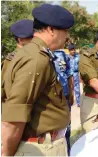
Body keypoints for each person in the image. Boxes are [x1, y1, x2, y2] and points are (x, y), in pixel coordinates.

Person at [1, 3, 74, 156]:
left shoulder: (35, 53)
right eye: (65, 31)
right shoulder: (36, 59)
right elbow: (15, 117)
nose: (67, 37)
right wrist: (7, 154)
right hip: (41, 148)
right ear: (51, 30)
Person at [1, 19, 33, 102]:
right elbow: (5, 88)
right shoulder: (11, 60)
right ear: (21, 40)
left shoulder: (33, 55)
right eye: (31, 38)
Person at [53, 49, 74, 155]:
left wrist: (71, 92)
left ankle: (68, 151)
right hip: (50, 100)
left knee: (66, 128)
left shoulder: (62, 54)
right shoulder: (40, 54)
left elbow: (69, 74)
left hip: (65, 96)